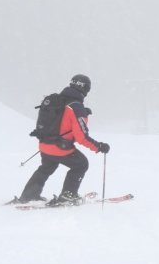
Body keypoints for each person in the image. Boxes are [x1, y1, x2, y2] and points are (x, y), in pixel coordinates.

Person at [14, 74, 110, 206]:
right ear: (86, 89)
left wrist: (83, 113)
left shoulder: (56, 101)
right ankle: (68, 195)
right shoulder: (76, 107)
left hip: (44, 145)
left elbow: (59, 121)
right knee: (81, 164)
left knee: (46, 167)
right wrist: (99, 146)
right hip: (61, 148)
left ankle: (28, 195)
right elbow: (81, 137)